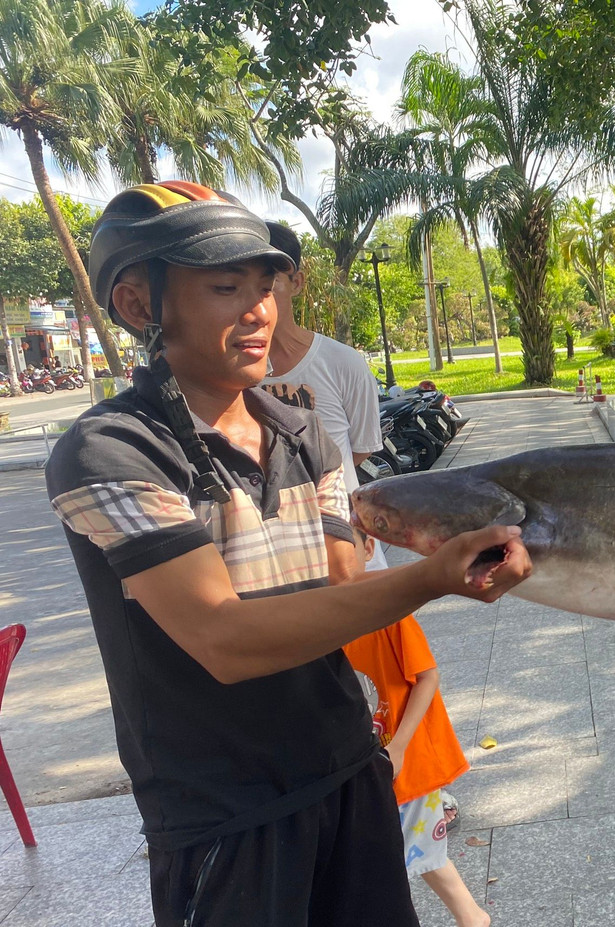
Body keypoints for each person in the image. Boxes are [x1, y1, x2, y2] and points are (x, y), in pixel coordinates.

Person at [45, 180, 531, 925]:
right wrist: (431, 579)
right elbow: (224, 639)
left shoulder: (303, 435)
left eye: (264, 285)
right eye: (225, 287)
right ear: (140, 305)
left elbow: (343, 596)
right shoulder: (111, 450)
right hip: (223, 810)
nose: (259, 310)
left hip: (347, 770)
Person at [342, 530, 490, 927]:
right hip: (369, 761)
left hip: (405, 760)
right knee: (418, 853)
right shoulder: (322, 620)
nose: (328, 561)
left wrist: (400, 747)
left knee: (402, 854)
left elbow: (427, 677)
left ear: (368, 548)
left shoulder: (390, 613)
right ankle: (472, 918)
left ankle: (471, 917)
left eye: (340, 546)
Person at [260, 221, 389, 574]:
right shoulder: (228, 376)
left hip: (347, 552)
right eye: (233, 286)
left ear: (296, 282)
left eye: (268, 283)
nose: (256, 298)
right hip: (272, 564)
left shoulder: (342, 363)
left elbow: (359, 449)